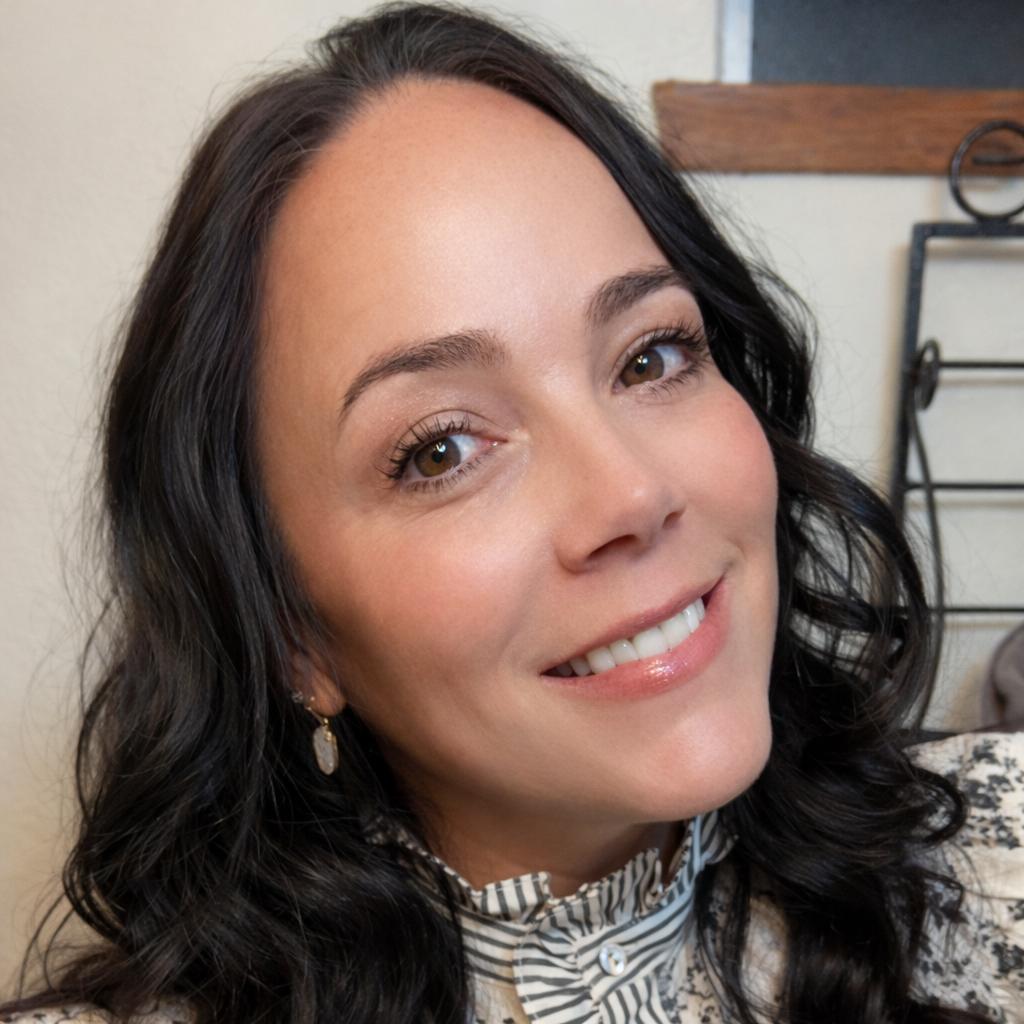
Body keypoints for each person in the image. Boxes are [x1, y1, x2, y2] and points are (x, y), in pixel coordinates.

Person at [3, 3, 1023, 1023]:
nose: (631, 494)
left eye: (651, 356)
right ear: (288, 629)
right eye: (441, 449)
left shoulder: (994, 862)